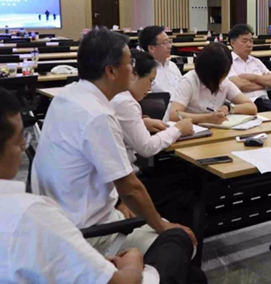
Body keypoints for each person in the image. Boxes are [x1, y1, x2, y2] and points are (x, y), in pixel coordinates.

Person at [0, 88, 195, 283]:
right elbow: (123, 281)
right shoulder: (29, 216)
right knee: (179, 240)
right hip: (100, 241)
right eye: (19, 141)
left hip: (90, 225)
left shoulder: (66, 99)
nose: (24, 147)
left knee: (194, 275)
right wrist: (133, 264)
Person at [32, 28, 197, 256]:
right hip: (88, 234)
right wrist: (163, 226)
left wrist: (117, 201)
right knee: (181, 243)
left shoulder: (69, 95)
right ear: (111, 71)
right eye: (129, 63)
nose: (132, 70)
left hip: (58, 220)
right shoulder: (98, 115)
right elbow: (130, 188)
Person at [110, 50, 194, 172]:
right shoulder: (126, 102)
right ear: (133, 74)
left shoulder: (114, 94)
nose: (150, 88)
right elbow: (147, 148)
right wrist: (178, 129)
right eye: (150, 80)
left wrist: (142, 122)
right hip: (124, 174)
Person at [170, 42, 257, 124]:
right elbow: (174, 115)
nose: (221, 79)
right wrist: (208, 118)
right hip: (188, 130)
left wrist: (229, 108)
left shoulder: (225, 83)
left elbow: (252, 107)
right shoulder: (189, 81)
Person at [226, 24, 271, 112]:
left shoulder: (256, 61)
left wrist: (252, 77)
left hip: (265, 102)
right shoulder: (227, 62)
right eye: (244, 41)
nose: (249, 44)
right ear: (232, 43)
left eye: (251, 41)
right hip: (244, 106)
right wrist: (264, 85)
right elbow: (240, 85)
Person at [138, 25, 182, 95]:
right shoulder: (144, 71)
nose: (170, 46)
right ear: (151, 48)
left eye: (169, 42)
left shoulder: (173, 66)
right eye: (165, 43)